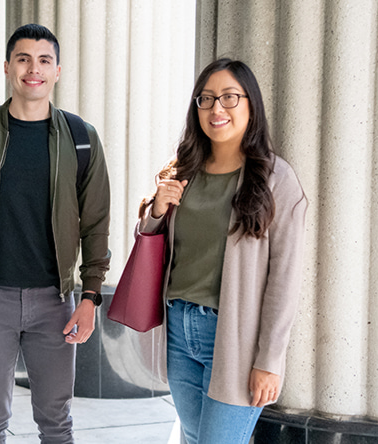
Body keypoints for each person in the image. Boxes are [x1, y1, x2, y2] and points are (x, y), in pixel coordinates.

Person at [0, 23, 110, 444]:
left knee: (56, 421)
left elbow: (96, 223)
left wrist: (89, 297)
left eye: (44, 60)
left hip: (54, 302)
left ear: (57, 71)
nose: (34, 69)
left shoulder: (82, 138)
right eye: (24, 59)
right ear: (8, 67)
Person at [138, 58, 307, 443]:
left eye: (230, 98)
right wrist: (156, 211)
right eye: (207, 99)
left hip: (233, 338)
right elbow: (151, 245)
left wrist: (269, 360)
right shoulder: (182, 170)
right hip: (178, 330)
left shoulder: (276, 180)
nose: (217, 109)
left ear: (251, 106)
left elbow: (285, 280)